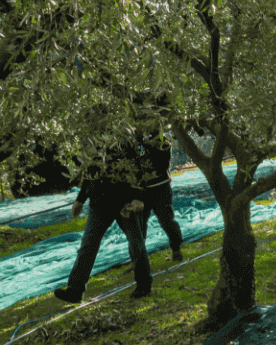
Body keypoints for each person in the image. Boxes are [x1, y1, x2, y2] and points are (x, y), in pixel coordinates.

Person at [54, 136, 153, 303]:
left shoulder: (123, 138)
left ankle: (144, 285)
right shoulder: (91, 142)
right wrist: (80, 199)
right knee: (88, 246)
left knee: (136, 243)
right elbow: (90, 173)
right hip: (99, 205)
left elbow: (139, 169)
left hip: (125, 202)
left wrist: (139, 197)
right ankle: (75, 291)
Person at [135, 124, 184, 263]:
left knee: (166, 220)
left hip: (160, 187)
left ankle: (176, 249)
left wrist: (148, 144)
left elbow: (161, 164)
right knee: (139, 226)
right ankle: (139, 260)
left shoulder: (163, 141)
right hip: (142, 190)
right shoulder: (137, 143)